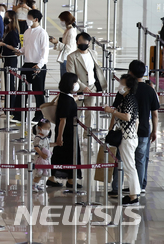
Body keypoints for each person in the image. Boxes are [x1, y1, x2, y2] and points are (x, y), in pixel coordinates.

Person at [109, 61, 159, 197]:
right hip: (143, 130)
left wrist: (110, 129)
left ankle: (116, 187)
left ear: (130, 72)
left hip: (126, 131)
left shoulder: (126, 90)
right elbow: (155, 113)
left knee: (121, 159)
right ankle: (140, 187)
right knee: (140, 160)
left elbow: (116, 111)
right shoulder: (150, 90)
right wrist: (154, 130)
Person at [104, 74, 140, 205]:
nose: (120, 86)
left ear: (128, 87)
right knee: (130, 166)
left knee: (130, 167)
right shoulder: (127, 98)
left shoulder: (129, 99)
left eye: (122, 83)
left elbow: (127, 117)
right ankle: (133, 194)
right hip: (129, 137)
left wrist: (111, 111)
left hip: (127, 138)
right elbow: (135, 120)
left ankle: (133, 196)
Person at [12, 9, 49, 123]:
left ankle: (39, 115)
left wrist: (39, 65)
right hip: (27, 63)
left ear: (36, 19)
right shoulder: (27, 31)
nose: (27, 19)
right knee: (21, 90)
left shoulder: (42, 33)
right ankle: (18, 115)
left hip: (37, 65)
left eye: (29, 17)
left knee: (38, 92)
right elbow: (26, 47)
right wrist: (20, 51)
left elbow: (45, 51)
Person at [45, 73, 81, 188]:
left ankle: (56, 178)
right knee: (69, 154)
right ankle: (69, 180)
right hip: (67, 132)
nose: (77, 85)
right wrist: (59, 137)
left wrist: (75, 98)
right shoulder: (66, 100)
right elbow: (62, 120)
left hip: (68, 131)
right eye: (75, 82)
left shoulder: (65, 96)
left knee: (61, 154)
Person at [66, 32, 107, 129]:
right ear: (77, 42)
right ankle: (73, 132)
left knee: (90, 113)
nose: (83, 43)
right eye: (80, 41)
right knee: (76, 112)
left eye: (85, 41)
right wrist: (83, 87)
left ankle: (87, 134)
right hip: (78, 89)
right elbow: (72, 75)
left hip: (92, 88)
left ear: (89, 43)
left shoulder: (93, 53)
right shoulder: (72, 57)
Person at [0, 10, 20, 106]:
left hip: (11, 59)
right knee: (7, 83)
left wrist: (3, 44)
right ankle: (7, 107)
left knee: (10, 84)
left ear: (11, 19)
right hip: (6, 58)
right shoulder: (7, 31)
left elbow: (16, 47)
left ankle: (11, 107)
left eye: (6, 16)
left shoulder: (13, 32)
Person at [51, 11, 77, 76]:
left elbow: (69, 48)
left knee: (65, 77)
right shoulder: (67, 30)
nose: (61, 22)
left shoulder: (71, 32)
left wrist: (57, 42)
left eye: (61, 20)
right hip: (64, 57)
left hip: (67, 58)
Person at [32, 120, 54, 192]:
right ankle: (34, 185)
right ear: (40, 128)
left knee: (41, 173)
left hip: (45, 159)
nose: (47, 130)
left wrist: (56, 144)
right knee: (38, 173)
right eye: (45, 128)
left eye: (48, 128)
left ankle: (37, 185)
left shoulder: (46, 137)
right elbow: (36, 147)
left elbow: (49, 145)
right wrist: (41, 154)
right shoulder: (38, 137)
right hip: (39, 158)